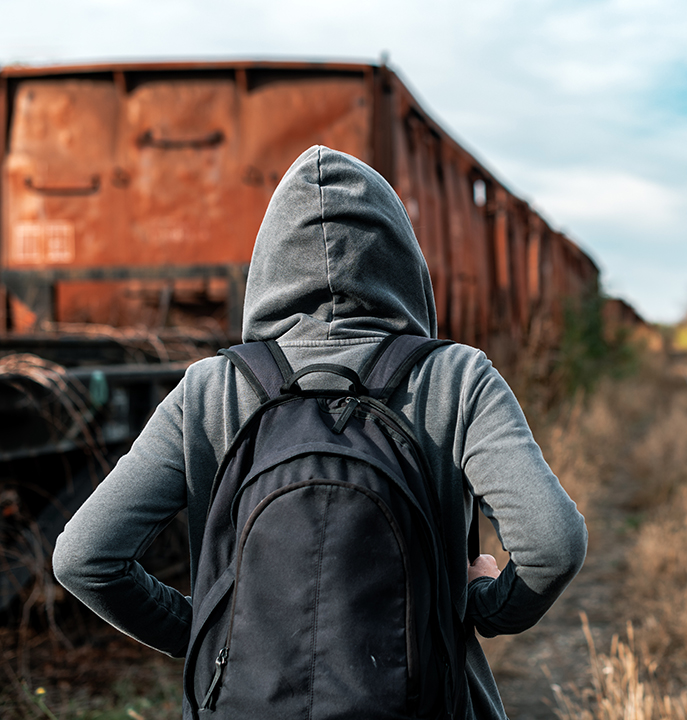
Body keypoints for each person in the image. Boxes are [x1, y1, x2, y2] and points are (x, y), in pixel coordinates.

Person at [53, 145, 588, 719]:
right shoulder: (457, 378)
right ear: (401, 258)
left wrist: (217, 641)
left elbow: (84, 558)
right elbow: (553, 544)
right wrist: (481, 605)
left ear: (269, 263)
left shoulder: (212, 388)